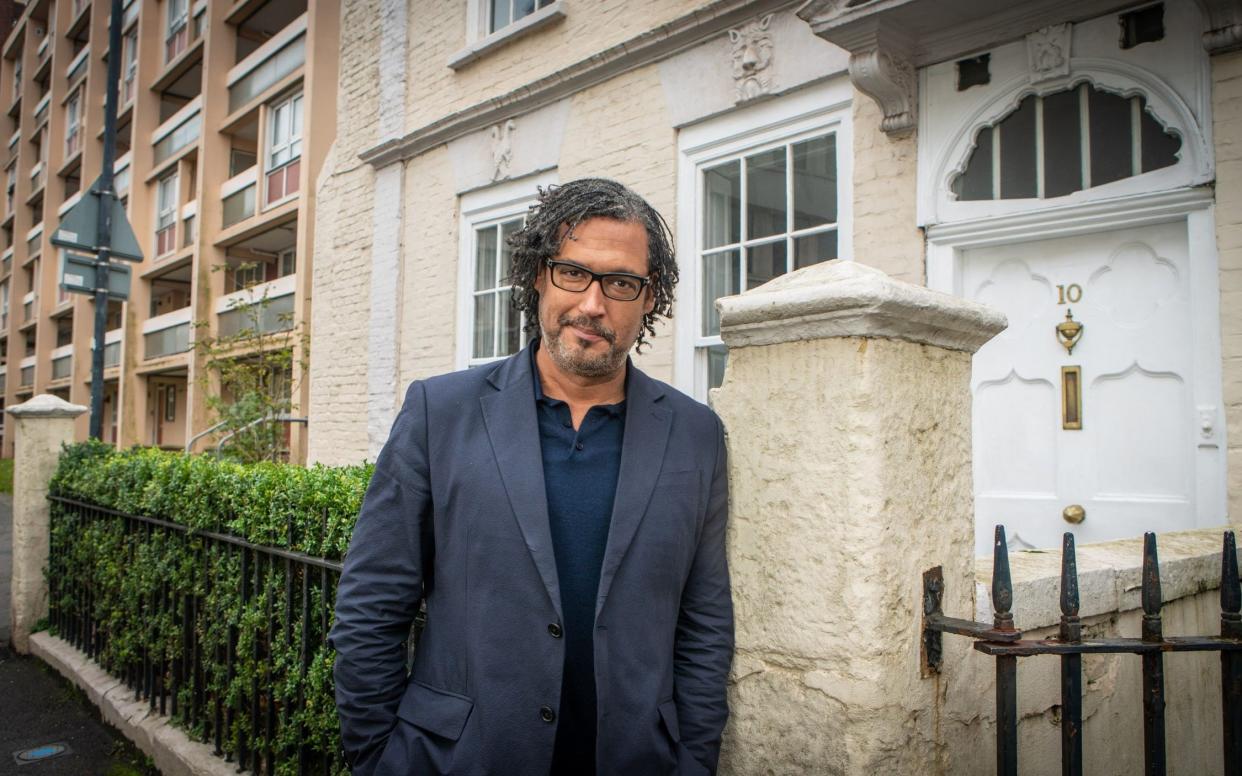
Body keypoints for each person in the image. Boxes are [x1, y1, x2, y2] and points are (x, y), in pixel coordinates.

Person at [330, 178, 734, 776]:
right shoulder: (438, 413)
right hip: (457, 760)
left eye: (621, 283)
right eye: (574, 272)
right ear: (540, 275)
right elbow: (371, 606)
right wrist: (374, 758)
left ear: (649, 299)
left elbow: (704, 623)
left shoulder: (696, 434)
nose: (593, 305)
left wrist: (694, 762)